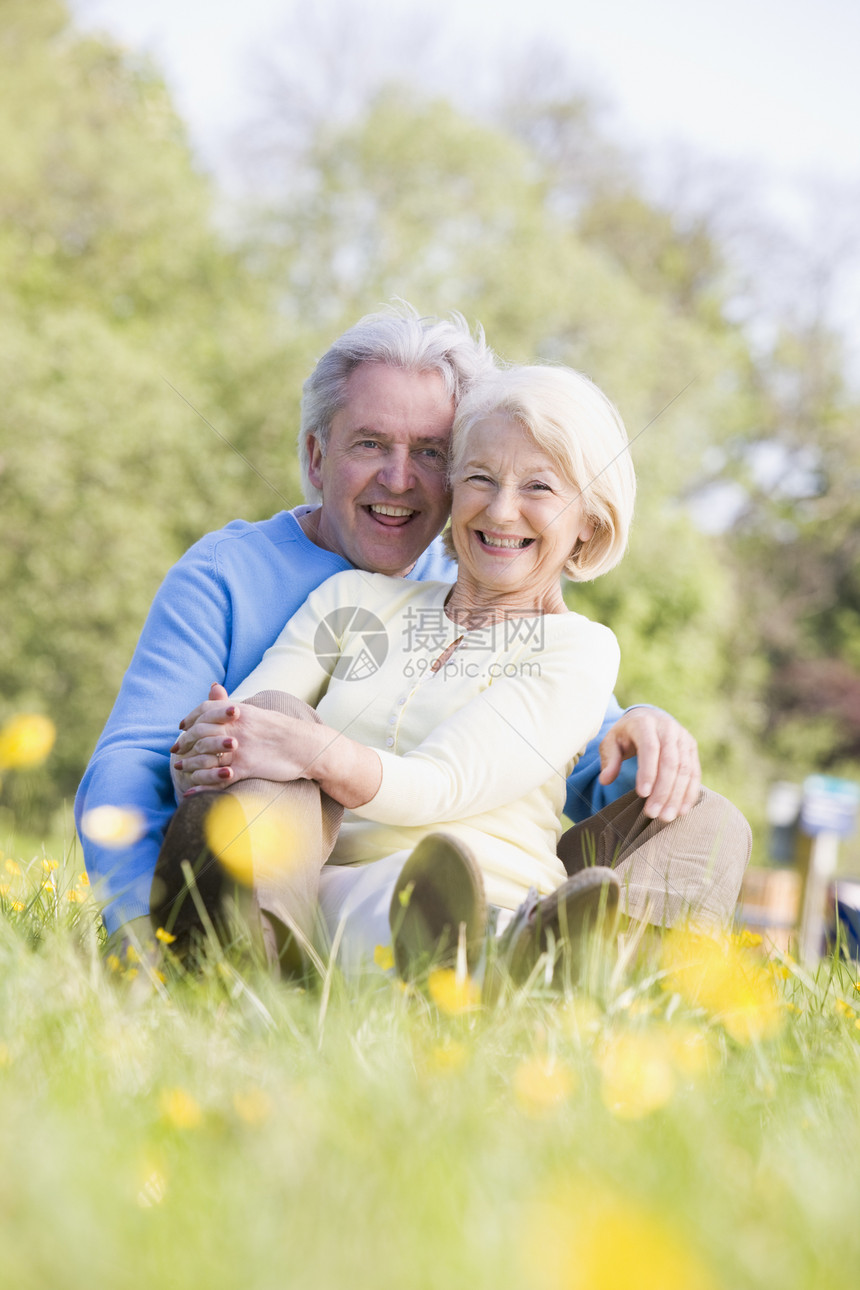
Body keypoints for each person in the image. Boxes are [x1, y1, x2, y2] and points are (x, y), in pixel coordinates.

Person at [75, 304, 746, 954]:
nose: (400, 481)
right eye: (370, 444)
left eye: (428, 452)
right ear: (315, 457)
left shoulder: (476, 572)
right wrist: (141, 938)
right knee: (274, 718)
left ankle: (589, 967)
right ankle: (266, 945)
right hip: (289, 859)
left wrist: (646, 732)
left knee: (708, 820)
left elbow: (553, 733)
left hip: (478, 867)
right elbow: (137, 761)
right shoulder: (243, 575)